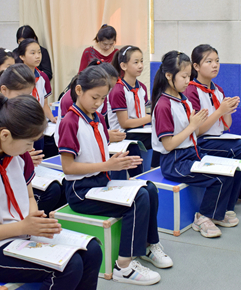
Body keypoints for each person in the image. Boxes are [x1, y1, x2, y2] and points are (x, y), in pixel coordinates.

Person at [0, 94, 102, 289]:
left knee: (92, 250)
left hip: (20, 234)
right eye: (29, 142)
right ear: (5, 135)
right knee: (69, 266)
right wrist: (23, 227)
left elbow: (29, 196)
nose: (31, 148)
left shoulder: (18, 155)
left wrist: (34, 220)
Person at [58, 65, 172, 285]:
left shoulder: (97, 118)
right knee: (137, 200)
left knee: (148, 188)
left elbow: (97, 149)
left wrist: (118, 162)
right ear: (79, 90)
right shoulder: (69, 123)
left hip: (100, 182)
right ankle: (124, 266)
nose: (98, 103)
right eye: (94, 97)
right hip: (81, 191)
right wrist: (107, 164)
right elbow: (68, 168)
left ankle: (149, 246)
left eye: (102, 99)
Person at [151, 51, 241, 238]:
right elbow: (168, 145)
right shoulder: (163, 105)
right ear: (169, 76)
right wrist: (193, 125)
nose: (187, 81)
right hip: (174, 162)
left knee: (231, 169)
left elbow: (193, 132)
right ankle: (203, 217)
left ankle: (216, 213)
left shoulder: (183, 99)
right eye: (184, 77)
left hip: (192, 153)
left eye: (189, 77)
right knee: (218, 179)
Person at [184, 44, 241, 206]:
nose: (215, 65)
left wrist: (227, 109)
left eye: (217, 61)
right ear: (196, 66)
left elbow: (226, 125)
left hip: (218, 137)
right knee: (240, 148)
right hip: (201, 141)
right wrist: (219, 110)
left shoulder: (218, 90)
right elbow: (198, 131)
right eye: (209, 61)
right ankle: (228, 201)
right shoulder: (191, 91)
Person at [0, 64, 65, 215]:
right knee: (52, 192)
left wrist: (27, 157)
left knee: (62, 186)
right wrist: (23, 157)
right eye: (21, 94)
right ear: (3, 90)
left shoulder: (21, 114)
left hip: (21, 169)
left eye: (29, 94)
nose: (26, 99)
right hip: (0, 175)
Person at [15, 39, 55, 123]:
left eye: (39, 52)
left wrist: (52, 118)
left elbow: (44, 104)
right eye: (33, 53)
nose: (37, 56)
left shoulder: (42, 77)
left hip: (39, 123)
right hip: (21, 123)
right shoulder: (16, 77)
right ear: (22, 56)